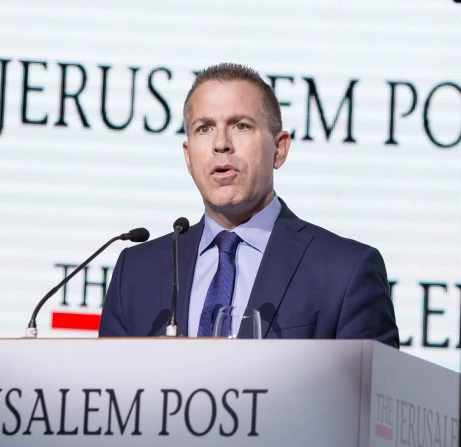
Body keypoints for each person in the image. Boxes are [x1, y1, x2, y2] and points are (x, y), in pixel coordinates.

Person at [98, 63, 399, 347]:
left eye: (240, 125)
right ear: (188, 157)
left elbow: (370, 396)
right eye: (204, 128)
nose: (221, 143)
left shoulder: (344, 272)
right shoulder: (135, 274)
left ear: (279, 150)